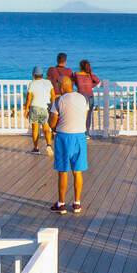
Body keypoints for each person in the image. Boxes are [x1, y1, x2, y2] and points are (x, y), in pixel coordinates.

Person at [50, 81, 89, 214]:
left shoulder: (58, 100)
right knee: (77, 171)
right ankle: (77, 203)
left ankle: (61, 204)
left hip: (64, 137)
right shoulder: (82, 98)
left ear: (62, 86)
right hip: (79, 137)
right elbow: (85, 114)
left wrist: (55, 125)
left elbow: (52, 122)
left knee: (63, 171)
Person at [25, 67, 54, 154]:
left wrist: (26, 109)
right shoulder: (48, 82)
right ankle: (48, 144)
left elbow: (29, 98)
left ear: (33, 75)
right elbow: (53, 94)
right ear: (42, 75)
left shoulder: (32, 83)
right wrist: (52, 106)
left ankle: (36, 148)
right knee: (46, 128)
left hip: (34, 107)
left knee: (35, 129)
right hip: (45, 107)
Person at [74, 59, 101, 134]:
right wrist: (90, 86)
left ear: (80, 66)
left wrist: (81, 87)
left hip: (81, 96)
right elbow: (98, 81)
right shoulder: (90, 74)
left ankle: (81, 131)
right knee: (88, 115)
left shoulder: (77, 74)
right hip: (90, 96)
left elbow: (75, 83)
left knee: (80, 114)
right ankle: (87, 132)